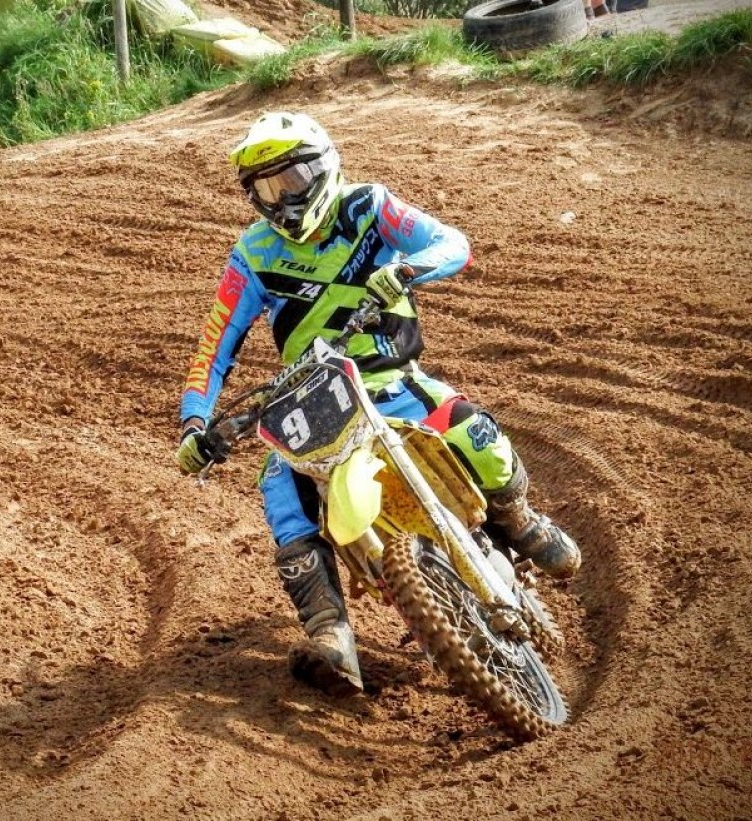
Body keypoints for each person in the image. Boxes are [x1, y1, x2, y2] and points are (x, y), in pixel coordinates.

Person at [174, 112, 581, 696]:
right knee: (280, 489)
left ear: (322, 167)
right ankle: (330, 631)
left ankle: (518, 519)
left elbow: (452, 243)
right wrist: (194, 423)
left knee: (471, 430)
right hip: (313, 396)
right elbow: (214, 347)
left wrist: (407, 268)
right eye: (266, 188)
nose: (283, 198)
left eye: (292, 179)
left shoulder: (369, 207)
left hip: (392, 376)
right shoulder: (252, 254)